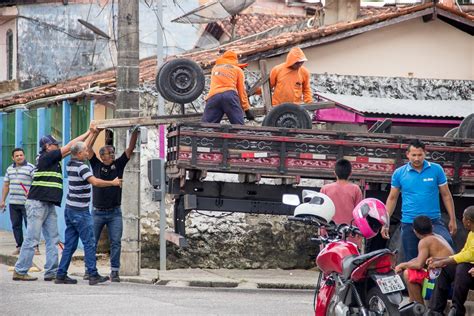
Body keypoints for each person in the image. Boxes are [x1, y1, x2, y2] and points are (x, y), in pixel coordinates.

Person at [13, 127, 92, 281]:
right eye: (55, 144)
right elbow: (70, 146)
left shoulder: (54, 159)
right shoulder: (45, 157)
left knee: (53, 239)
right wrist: (89, 131)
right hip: (37, 203)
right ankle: (20, 270)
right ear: (48, 146)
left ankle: (51, 271)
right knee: (32, 238)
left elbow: (77, 149)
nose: (57, 146)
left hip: (49, 204)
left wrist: (93, 134)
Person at [55, 142, 121, 285]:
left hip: (70, 209)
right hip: (80, 212)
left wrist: (93, 133)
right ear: (79, 154)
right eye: (85, 151)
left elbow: (85, 146)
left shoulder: (70, 164)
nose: (87, 152)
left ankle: (61, 274)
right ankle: (93, 274)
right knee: (89, 243)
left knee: (70, 244)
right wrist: (113, 183)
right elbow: (96, 182)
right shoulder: (82, 167)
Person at [382, 139, 456, 262]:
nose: (417, 158)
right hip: (409, 223)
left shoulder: (437, 169)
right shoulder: (399, 173)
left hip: (433, 222)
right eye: (414, 155)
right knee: (411, 260)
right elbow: (392, 198)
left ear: (425, 153)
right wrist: (385, 222)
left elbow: (446, 195)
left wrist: (452, 219)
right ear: (407, 155)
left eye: (420, 155)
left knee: (446, 248)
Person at [84, 124, 139, 282]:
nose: (113, 155)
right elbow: (87, 149)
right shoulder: (96, 164)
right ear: (102, 156)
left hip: (115, 212)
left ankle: (114, 271)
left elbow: (130, 149)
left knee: (116, 242)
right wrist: (95, 132)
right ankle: (89, 269)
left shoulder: (119, 164)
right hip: (97, 212)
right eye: (110, 153)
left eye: (113, 152)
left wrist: (135, 131)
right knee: (92, 242)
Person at [394, 215, 454, 305]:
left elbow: (419, 264)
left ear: (415, 231)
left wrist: (401, 265)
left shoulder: (425, 241)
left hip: (442, 284)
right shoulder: (437, 237)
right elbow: (419, 259)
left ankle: (418, 307)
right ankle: (414, 304)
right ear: (432, 227)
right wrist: (405, 264)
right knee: (410, 269)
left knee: (408, 273)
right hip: (449, 281)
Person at [427, 206, 474, 316]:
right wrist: (441, 260)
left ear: (468, 221)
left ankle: (457, 309)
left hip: (469, 272)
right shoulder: (471, 233)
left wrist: (444, 261)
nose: (461, 219)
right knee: (446, 269)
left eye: (463, 217)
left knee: (462, 268)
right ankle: (435, 310)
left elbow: (470, 255)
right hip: (469, 271)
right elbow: (463, 253)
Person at [1, 148, 38, 255]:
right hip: (13, 203)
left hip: (27, 203)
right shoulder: (9, 169)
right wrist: (2, 200)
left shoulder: (31, 168)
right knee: (16, 225)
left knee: (30, 225)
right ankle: (19, 246)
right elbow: (6, 185)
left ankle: (34, 247)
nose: (19, 157)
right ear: (13, 158)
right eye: (17, 156)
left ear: (24, 156)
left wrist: (31, 192)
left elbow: (36, 183)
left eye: (21, 155)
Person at [201, 50, 254, 125]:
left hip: (213, 97)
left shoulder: (215, 68)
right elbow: (241, 91)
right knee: (238, 127)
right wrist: (247, 110)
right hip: (230, 96)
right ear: (235, 60)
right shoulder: (238, 70)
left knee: (206, 127)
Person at [320, 159, 363, 225]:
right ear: (350, 173)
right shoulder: (356, 189)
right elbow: (359, 213)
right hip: (349, 231)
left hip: (328, 231)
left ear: (335, 173)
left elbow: (321, 212)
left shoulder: (325, 189)